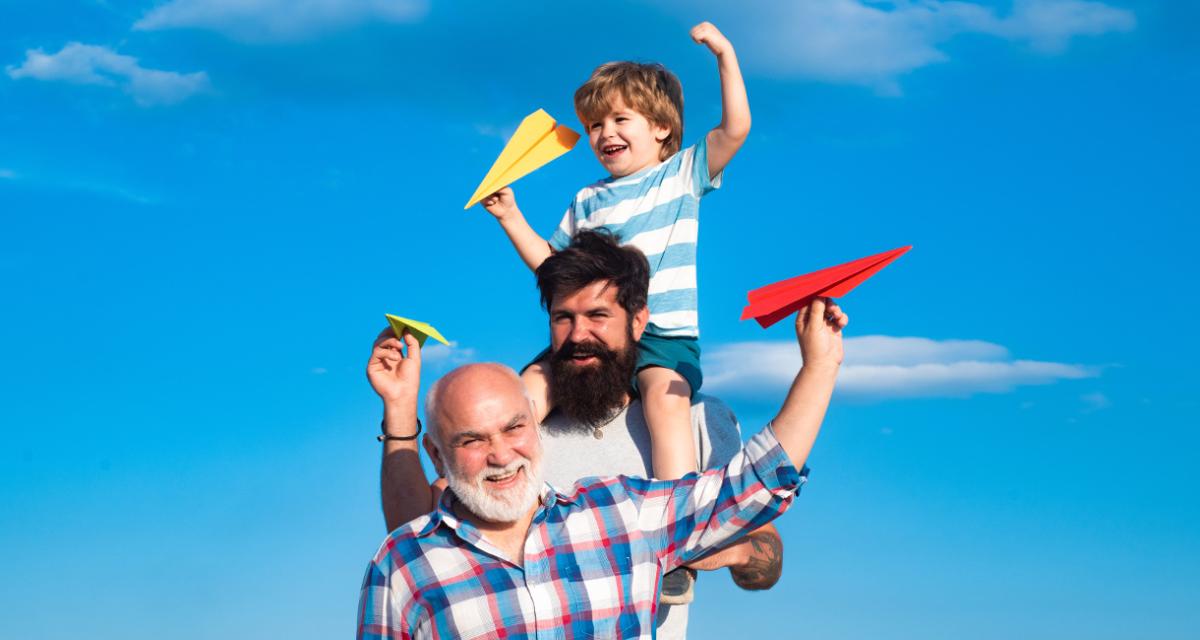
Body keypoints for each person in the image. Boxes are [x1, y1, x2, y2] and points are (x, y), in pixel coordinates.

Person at [357, 296, 847, 639]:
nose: (501, 455)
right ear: (439, 455)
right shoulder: (401, 562)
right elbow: (415, 532)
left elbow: (755, 485)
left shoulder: (618, 515)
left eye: (513, 429)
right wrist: (400, 408)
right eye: (473, 440)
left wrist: (820, 368)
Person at [476, 22, 750, 497]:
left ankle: (677, 519)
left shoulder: (681, 174)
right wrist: (511, 216)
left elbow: (735, 129)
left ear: (662, 127)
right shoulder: (588, 198)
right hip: (595, 333)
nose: (605, 133)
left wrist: (725, 54)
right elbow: (553, 267)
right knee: (529, 389)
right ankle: (492, 496)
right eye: (595, 126)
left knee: (666, 405)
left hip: (664, 333)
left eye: (621, 120)